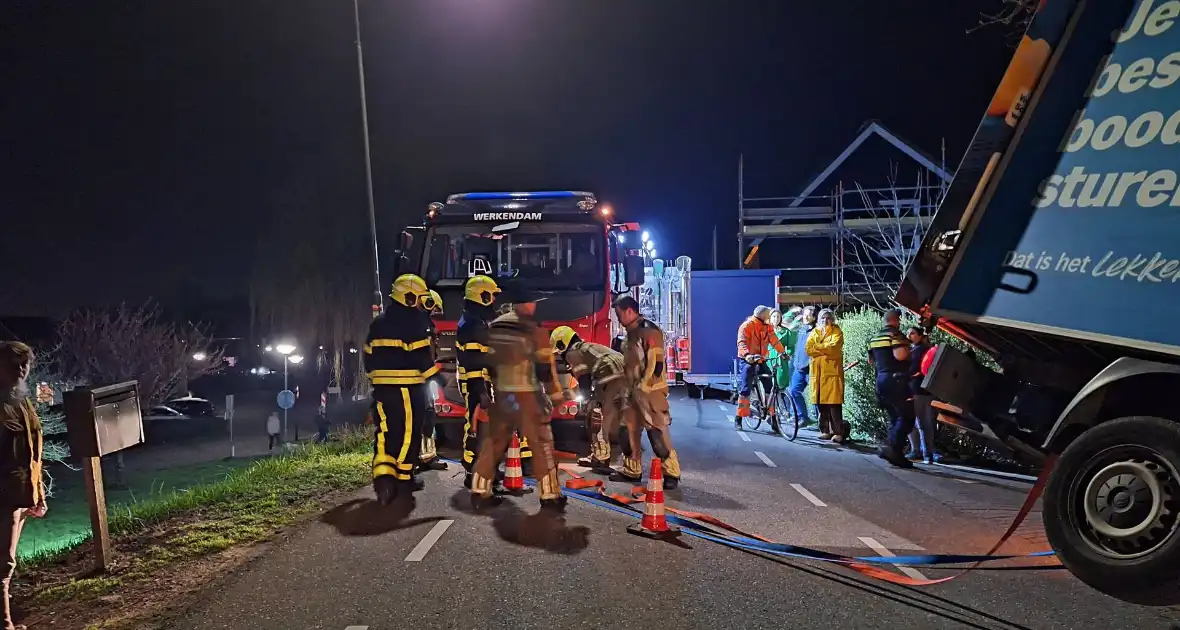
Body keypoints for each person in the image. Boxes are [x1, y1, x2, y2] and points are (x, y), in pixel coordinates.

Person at [469, 282, 567, 513]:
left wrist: (490, 392)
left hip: (503, 395)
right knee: (541, 444)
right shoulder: (535, 330)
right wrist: (556, 397)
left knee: (493, 443)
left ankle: (479, 491)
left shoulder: (495, 327)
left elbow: (487, 364)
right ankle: (550, 496)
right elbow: (544, 370)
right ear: (528, 305)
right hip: (528, 397)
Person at [365, 273, 438, 505]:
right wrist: (437, 378)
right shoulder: (414, 322)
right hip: (407, 387)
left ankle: (384, 476)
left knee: (386, 431)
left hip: (382, 389)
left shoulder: (378, 323)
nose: (420, 303)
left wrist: (376, 379)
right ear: (408, 297)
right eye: (418, 298)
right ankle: (404, 478)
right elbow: (420, 356)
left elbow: (368, 356)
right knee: (408, 432)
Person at [611, 295, 681, 490]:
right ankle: (632, 470)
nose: (617, 319)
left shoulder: (649, 331)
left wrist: (644, 386)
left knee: (657, 434)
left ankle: (671, 473)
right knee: (627, 432)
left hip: (650, 394)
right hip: (631, 392)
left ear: (629, 311)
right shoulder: (630, 334)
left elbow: (656, 364)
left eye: (619, 314)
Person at [1, 341, 46, 630]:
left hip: (19, 494)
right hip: (3, 496)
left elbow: (32, 453)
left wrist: (37, 493)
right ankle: (4, 623)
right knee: (2, 562)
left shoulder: (22, 400)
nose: (21, 368)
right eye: (13, 363)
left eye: (24, 363)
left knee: (7, 560)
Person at [551, 325, 626, 474]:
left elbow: (584, 379)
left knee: (595, 415)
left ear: (562, 344)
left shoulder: (573, 353)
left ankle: (600, 458)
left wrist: (586, 403)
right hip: (626, 377)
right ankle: (631, 465)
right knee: (624, 421)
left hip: (610, 378)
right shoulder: (586, 348)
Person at [868, 308, 915, 468]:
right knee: (907, 417)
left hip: (881, 380)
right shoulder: (895, 335)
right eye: (899, 320)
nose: (900, 323)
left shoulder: (875, 338)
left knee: (894, 417)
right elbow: (900, 355)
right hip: (896, 379)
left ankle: (895, 453)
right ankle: (892, 448)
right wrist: (910, 351)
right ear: (895, 320)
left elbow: (872, 361)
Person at [735, 305, 786, 432]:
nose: (770, 316)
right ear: (762, 315)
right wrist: (747, 355)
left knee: (770, 387)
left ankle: (773, 418)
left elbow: (774, 341)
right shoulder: (746, 326)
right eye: (768, 314)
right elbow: (741, 342)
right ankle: (739, 418)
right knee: (745, 388)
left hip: (761, 359)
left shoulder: (767, 327)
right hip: (748, 360)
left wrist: (783, 352)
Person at [416, 289, 448, 473]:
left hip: (425, 378)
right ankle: (417, 459)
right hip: (419, 378)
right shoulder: (418, 325)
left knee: (429, 415)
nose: (434, 314)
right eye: (433, 309)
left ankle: (428, 456)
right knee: (422, 417)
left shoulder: (425, 324)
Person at [805, 309, 847, 442]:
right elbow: (808, 349)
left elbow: (833, 349)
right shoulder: (814, 332)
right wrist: (823, 348)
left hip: (831, 374)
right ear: (818, 319)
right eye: (822, 318)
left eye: (828, 318)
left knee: (834, 405)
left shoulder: (837, 332)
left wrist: (817, 347)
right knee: (821, 404)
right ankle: (825, 430)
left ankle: (838, 432)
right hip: (817, 374)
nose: (825, 320)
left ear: (832, 319)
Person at [906, 327, 939, 464]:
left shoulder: (918, 351)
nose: (909, 335)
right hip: (925, 391)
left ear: (920, 336)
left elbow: (913, 370)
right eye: (908, 333)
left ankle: (923, 452)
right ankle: (925, 451)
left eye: (912, 333)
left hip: (917, 390)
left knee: (920, 422)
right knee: (924, 422)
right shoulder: (924, 349)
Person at [787, 306, 818, 429]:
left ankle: (820, 422)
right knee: (794, 391)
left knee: (816, 396)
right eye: (804, 314)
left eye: (808, 315)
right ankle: (803, 417)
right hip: (799, 368)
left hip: (812, 368)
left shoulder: (817, 331)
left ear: (814, 317)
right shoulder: (801, 329)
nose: (805, 317)